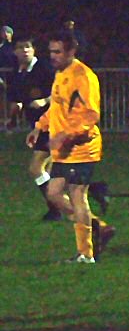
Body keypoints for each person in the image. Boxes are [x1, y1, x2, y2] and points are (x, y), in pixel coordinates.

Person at [25, 31, 115, 263]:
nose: (52, 56)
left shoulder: (83, 76)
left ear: (71, 51)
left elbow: (90, 115)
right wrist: (39, 127)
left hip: (82, 148)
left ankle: (86, 253)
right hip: (64, 151)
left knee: (77, 196)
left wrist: (65, 135)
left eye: (58, 52)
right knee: (54, 194)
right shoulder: (61, 73)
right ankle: (97, 227)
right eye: (51, 51)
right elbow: (56, 107)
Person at [5, 36, 59, 220]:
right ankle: (57, 208)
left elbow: (62, 94)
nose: (25, 51)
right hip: (37, 127)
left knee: (36, 169)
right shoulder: (15, 74)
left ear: (34, 49)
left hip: (54, 124)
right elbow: (16, 101)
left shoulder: (44, 69)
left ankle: (59, 208)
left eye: (28, 47)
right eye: (20, 48)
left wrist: (45, 100)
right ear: (14, 52)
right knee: (48, 172)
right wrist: (12, 118)